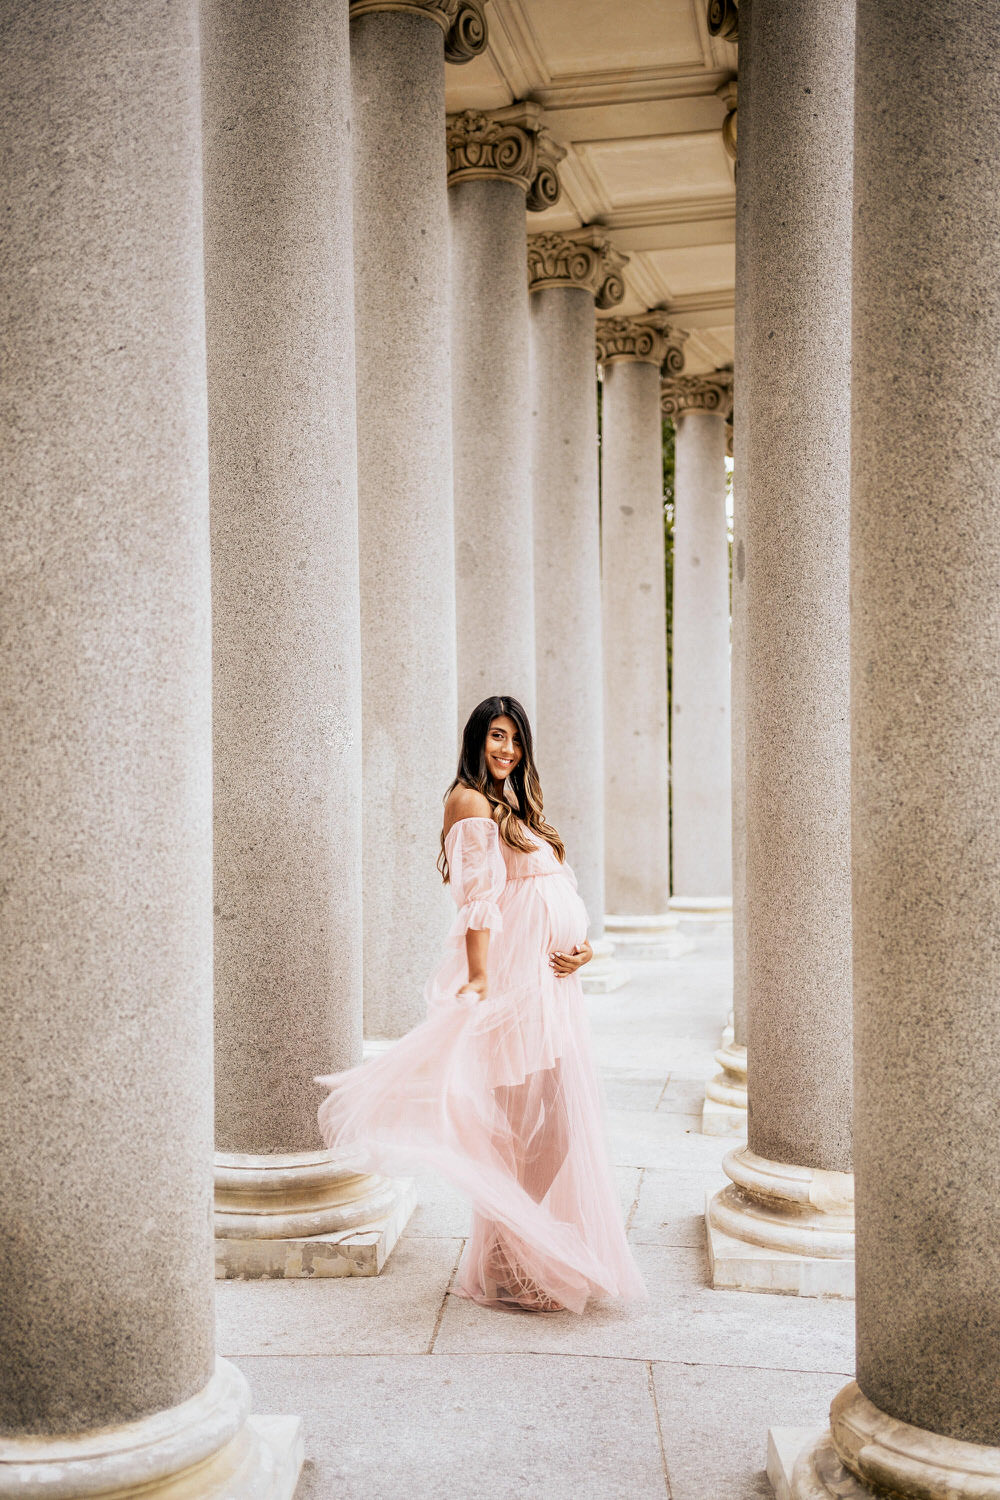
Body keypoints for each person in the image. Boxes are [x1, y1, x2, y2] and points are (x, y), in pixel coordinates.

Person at [316, 695, 645, 1314]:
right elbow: (477, 901)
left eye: (516, 740)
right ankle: (508, 1252)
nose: (507, 750)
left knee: (557, 1116)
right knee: (518, 1122)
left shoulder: (513, 802)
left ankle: (518, 1240)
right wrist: (478, 976)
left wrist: (584, 951)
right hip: (515, 982)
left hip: (551, 981)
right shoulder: (469, 800)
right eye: (497, 737)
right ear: (476, 739)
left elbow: (550, 889)